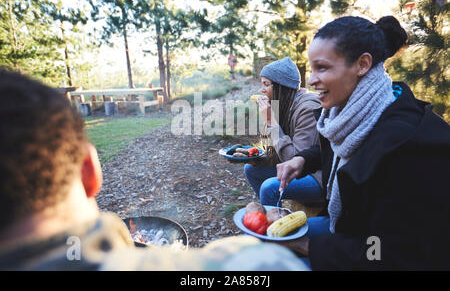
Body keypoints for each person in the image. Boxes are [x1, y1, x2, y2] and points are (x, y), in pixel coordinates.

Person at [0, 69, 311, 271]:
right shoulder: (260, 264)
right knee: (264, 184)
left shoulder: (304, 107)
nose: (261, 89)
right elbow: (267, 265)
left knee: (264, 183)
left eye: (266, 84)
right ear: (90, 172)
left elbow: (297, 156)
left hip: (313, 178)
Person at [275, 15, 450, 270]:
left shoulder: (409, 148)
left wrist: (307, 246)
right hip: (347, 229)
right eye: (312, 68)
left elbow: (391, 252)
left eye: (322, 68)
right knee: (266, 240)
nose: (311, 80)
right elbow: (341, 151)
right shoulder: (348, 115)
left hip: (376, 252)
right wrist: (303, 159)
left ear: (362, 64)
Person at [243, 57, 323, 207]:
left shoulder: (308, 108)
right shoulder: (285, 105)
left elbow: (297, 161)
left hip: (316, 177)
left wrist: (270, 121)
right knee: (251, 169)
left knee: (269, 188)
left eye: (266, 84)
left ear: (281, 87)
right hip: (299, 170)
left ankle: (273, 227)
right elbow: (277, 154)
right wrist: (259, 159)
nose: (262, 90)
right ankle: (274, 215)